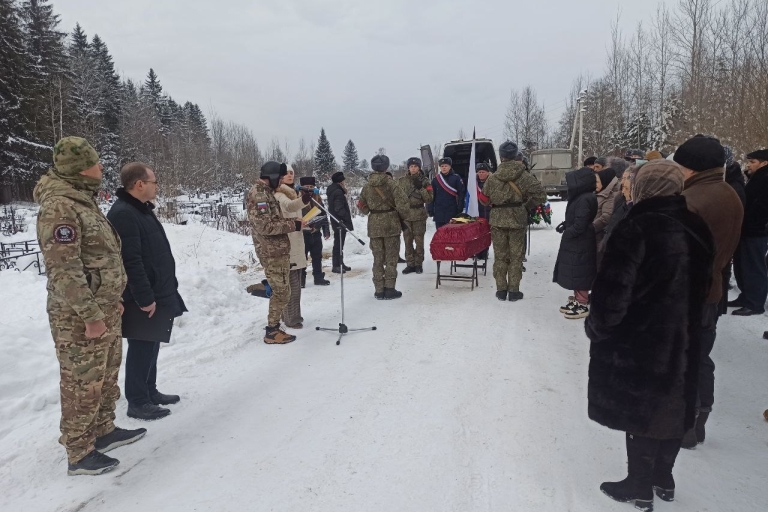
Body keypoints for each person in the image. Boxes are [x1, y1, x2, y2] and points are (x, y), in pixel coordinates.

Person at [585, 159, 714, 511]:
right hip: (685, 334)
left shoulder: (637, 226)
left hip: (640, 338)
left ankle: (638, 486)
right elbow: (708, 281)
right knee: (672, 406)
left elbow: (613, 291)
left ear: (644, 187)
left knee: (640, 410)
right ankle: (663, 478)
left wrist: (597, 327)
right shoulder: (696, 224)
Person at [35, 137, 144, 476]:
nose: (101, 169)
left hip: (104, 309)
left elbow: (98, 258)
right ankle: (79, 451)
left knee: (107, 374)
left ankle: (104, 431)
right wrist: (92, 315)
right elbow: (64, 269)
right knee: (83, 382)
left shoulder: (82, 201)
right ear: (80, 168)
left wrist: (111, 301)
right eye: (96, 164)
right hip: (78, 318)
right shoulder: (59, 207)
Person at [673, 136, 743, 448]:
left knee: (685, 359)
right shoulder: (728, 193)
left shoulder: (693, 201)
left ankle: (685, 424)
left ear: (691, 168)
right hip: (711, 289)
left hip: (687, 293)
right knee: (701, 357)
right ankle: (698, 421)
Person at [107, 163, 187, 421]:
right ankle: (138, 401)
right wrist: (144, 298)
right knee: (141, 345)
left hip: (157, 290)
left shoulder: (140, 210)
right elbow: (131, 261)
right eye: (154, 181)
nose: (157, 185)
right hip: (143, 296)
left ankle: (149, 391)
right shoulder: (124, 214)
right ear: (139, 184)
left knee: (151, 342)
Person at [247, 161, 309, 344]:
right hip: (271, 252)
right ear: (272, 177)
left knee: (282, 290)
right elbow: (265, 226)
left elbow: (276, 217)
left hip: (278, 249)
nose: (282, 181)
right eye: (280, 177)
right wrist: (294, 224)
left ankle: (275, 326)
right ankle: (272, 331)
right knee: (281, 291)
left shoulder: (267, 193)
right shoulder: (259, 195)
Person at [479, 142, 546, 301]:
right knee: (516, 257)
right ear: (515, 155)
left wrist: (495, 202)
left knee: (500, 256)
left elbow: (483, 199)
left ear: (501, 157)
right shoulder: (524, 176)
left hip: (497, 220)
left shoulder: (493, 177)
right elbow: (541, 196)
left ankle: (501, 290)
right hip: (517, 219)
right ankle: (514, 291)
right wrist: (525, 206)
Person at [357, 154, 410, 299]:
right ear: (386, 167)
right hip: (391, 224)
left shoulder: (367, 186)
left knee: (377, 259)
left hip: (374, 225)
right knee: (391, 258)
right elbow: (403, 204)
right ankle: (390, 289)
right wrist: (403, 217)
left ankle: (379, 290)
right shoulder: (392, 184)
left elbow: (362, 208)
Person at [553, 167, 598, 318]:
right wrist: (565, 225)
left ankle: (582, 301)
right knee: (575, 270)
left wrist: (568, 232)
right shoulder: (580, 197)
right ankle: (577, 298)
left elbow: (581, 223)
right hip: (577, 240)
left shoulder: (585, 198)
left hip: (581, 240)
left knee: (581, 270)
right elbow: (576, 219)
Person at [729, 149, 768, 315]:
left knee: (754, 267)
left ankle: (755, 303)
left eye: (753, 162)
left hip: (756, 231)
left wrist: (755, 223)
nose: (749, 164)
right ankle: (746, 296)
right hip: (747, 229)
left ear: (764, 163)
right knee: (743, 265)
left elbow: (760, 207)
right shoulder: (757, 178)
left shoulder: (765, 179)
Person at [274, 166, 308, 328]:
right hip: (287, 244)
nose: (290, 175)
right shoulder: (280, 194)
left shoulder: (293, 193)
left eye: (292, 172)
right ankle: (291, 318)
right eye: (286, 173)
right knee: (292, 286)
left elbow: (296, 217)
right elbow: (289, 207)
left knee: (295, 284)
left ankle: (290, 315)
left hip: (296, 240)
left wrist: (308, 224)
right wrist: (303, 200)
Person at [397, 157, 433, 275]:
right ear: (408, 167)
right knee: (407, 241)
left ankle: (418, 264)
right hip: (406, 216)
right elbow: (397, 198)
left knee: (419, 241)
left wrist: (420, 188)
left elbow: (429, 198)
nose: (413, 168)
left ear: (419, 168)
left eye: (416, 166)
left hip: (419, 215)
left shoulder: (425, 181)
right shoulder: (401, 181)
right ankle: (410, 264)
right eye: (411, 166)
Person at [299, 176, 330, 287]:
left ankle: (318, 277)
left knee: (317, 256)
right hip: (303, 233)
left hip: (316, 232)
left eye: (311, 187)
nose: (309, 189)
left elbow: (324, 215)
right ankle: (301, 279)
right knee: (303, 257)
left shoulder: (317, 199)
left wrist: (326, 230)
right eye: (307, 187)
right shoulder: (298, 199)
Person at [327, 171, 353, 274]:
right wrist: (346, 217)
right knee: (338, 244)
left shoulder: (332, 190)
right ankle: (336, 265)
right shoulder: (338, 192)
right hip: (339, 222)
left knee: (339, 243)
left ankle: (340, 263)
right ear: (340, 182)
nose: (344, 183)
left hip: (336, 221)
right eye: (343, 181)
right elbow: (338, 208)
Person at [428, 157, 465, 229]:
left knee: (452, 235)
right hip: (439, 213)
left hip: (452, 212)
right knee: (440, 236)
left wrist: (460, 207)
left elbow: (461, 194)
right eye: (442, 166)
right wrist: (430, 208)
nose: (444, 168)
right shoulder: (435, 180)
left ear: (450, 167)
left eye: (446, 166)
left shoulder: (456, 178)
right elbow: (431, 196)